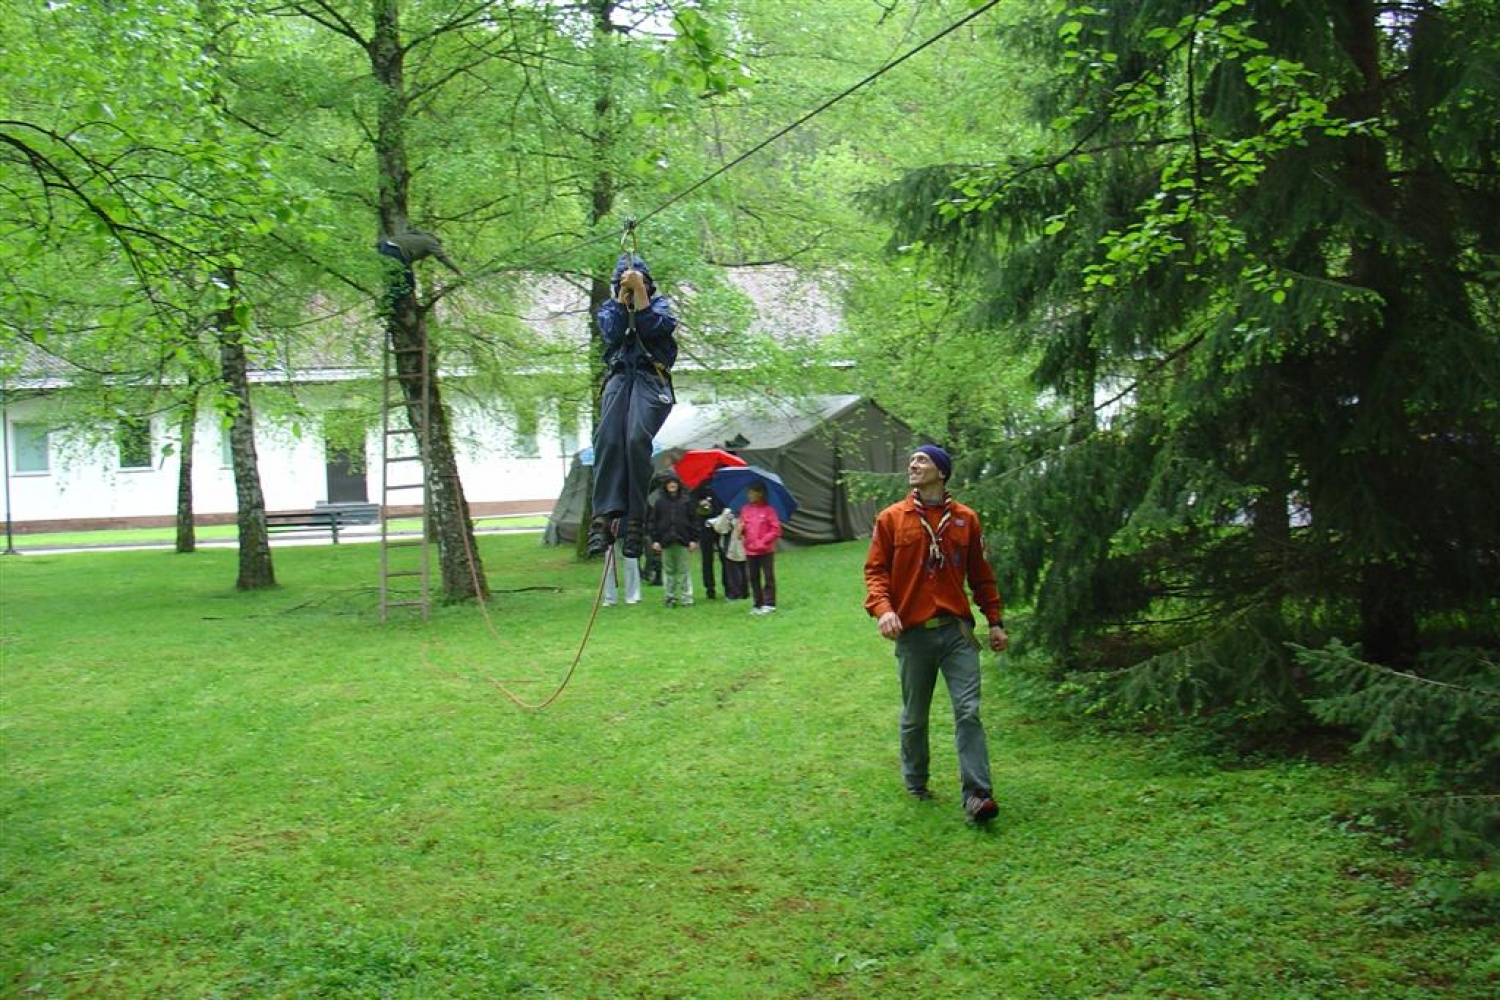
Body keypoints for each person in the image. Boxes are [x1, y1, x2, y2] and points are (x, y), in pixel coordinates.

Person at [863, 445, 1009, 825]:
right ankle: (916, 781)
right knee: (914, 716)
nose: (913, 464)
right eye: (911, 460)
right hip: (913, 635)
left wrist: (994, 620)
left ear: (941, 473)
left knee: (969, 711)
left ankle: (978, 795)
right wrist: (884, 610)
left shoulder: (965, 520)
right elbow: (875, 572)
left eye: (922, 460)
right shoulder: (892, 519)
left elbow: (981, 574)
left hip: (957, 633)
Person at [587, 253, 679, 561]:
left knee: (636, 438)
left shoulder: (660, 307)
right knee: (608, 439)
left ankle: (636, 518)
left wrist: (640, 294)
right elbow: (611, 331)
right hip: (620, 380)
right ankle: (603, 516)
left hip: (650, 381)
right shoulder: (609, 310)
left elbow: (655, 328)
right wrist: (620, 297)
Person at [648, 473, 698, 607]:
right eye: (669, 483)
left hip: (683, 541)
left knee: (684, 570)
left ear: (678, 485)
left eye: (674, 483)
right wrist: (655, 540)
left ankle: (687, 597)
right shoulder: (660, 503)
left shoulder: (686, 502)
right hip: (666, 541)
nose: (672, 485)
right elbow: (653, 522)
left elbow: (693, 521)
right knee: (669, 570)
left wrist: (693, 539)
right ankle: (670, 597)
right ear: (665, 486)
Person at [740, 483, 782, 614]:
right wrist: (740, 530)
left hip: (765, 550)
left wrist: (762, 541)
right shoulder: (745, 509)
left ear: (761, 494)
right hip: (750, 550)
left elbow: (776, 530)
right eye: (749, 493)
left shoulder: (769, 510)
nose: (750, 495)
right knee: (753, 577)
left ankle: (770, 603)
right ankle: (757, 603)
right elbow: (743, 527)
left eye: (753, 493)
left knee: (768, 576)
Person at [691, 483, 726, 599]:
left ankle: (728, 585)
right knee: (707, 558)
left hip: (722, 523)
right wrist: (699, 503)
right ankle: (709, 588)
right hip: (705, 525)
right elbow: (692, 501)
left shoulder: (724, 481)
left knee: (725, 557)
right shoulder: (700, 485)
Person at [710, 505, 749, 600]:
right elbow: (720, 528)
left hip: (742, 545)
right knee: (735, 569)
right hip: (731, 546)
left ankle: (739, 593)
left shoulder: (748, 512)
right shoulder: (729, 512)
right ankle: (738, 592)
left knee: (740, 570)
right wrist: (725, 515)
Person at [601, 537, 642, 607]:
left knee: (631, 565)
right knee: (610, 566)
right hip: (611, 536)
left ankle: (631, 596)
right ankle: (610, 598)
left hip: (629, 535)